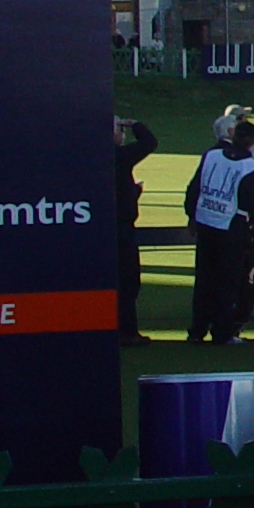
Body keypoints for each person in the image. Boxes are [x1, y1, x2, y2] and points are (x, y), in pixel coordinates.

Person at [180, 106, 254, 345]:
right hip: (231, 227)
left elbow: (194, 187)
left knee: (204, 279)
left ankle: (197, 330)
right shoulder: (250, 167)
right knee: (227, 282)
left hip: (206, 221)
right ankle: (222, 332)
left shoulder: (211, 155)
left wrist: (191, 215)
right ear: (252, 141)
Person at [114, 114, 160, 343]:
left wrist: (132, 193)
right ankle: (127, 331)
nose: (122, 134)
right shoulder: (118, 156)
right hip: (121, 228)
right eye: (119, 130)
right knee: (128, 281)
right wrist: (134, 124)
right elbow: (149, 143)